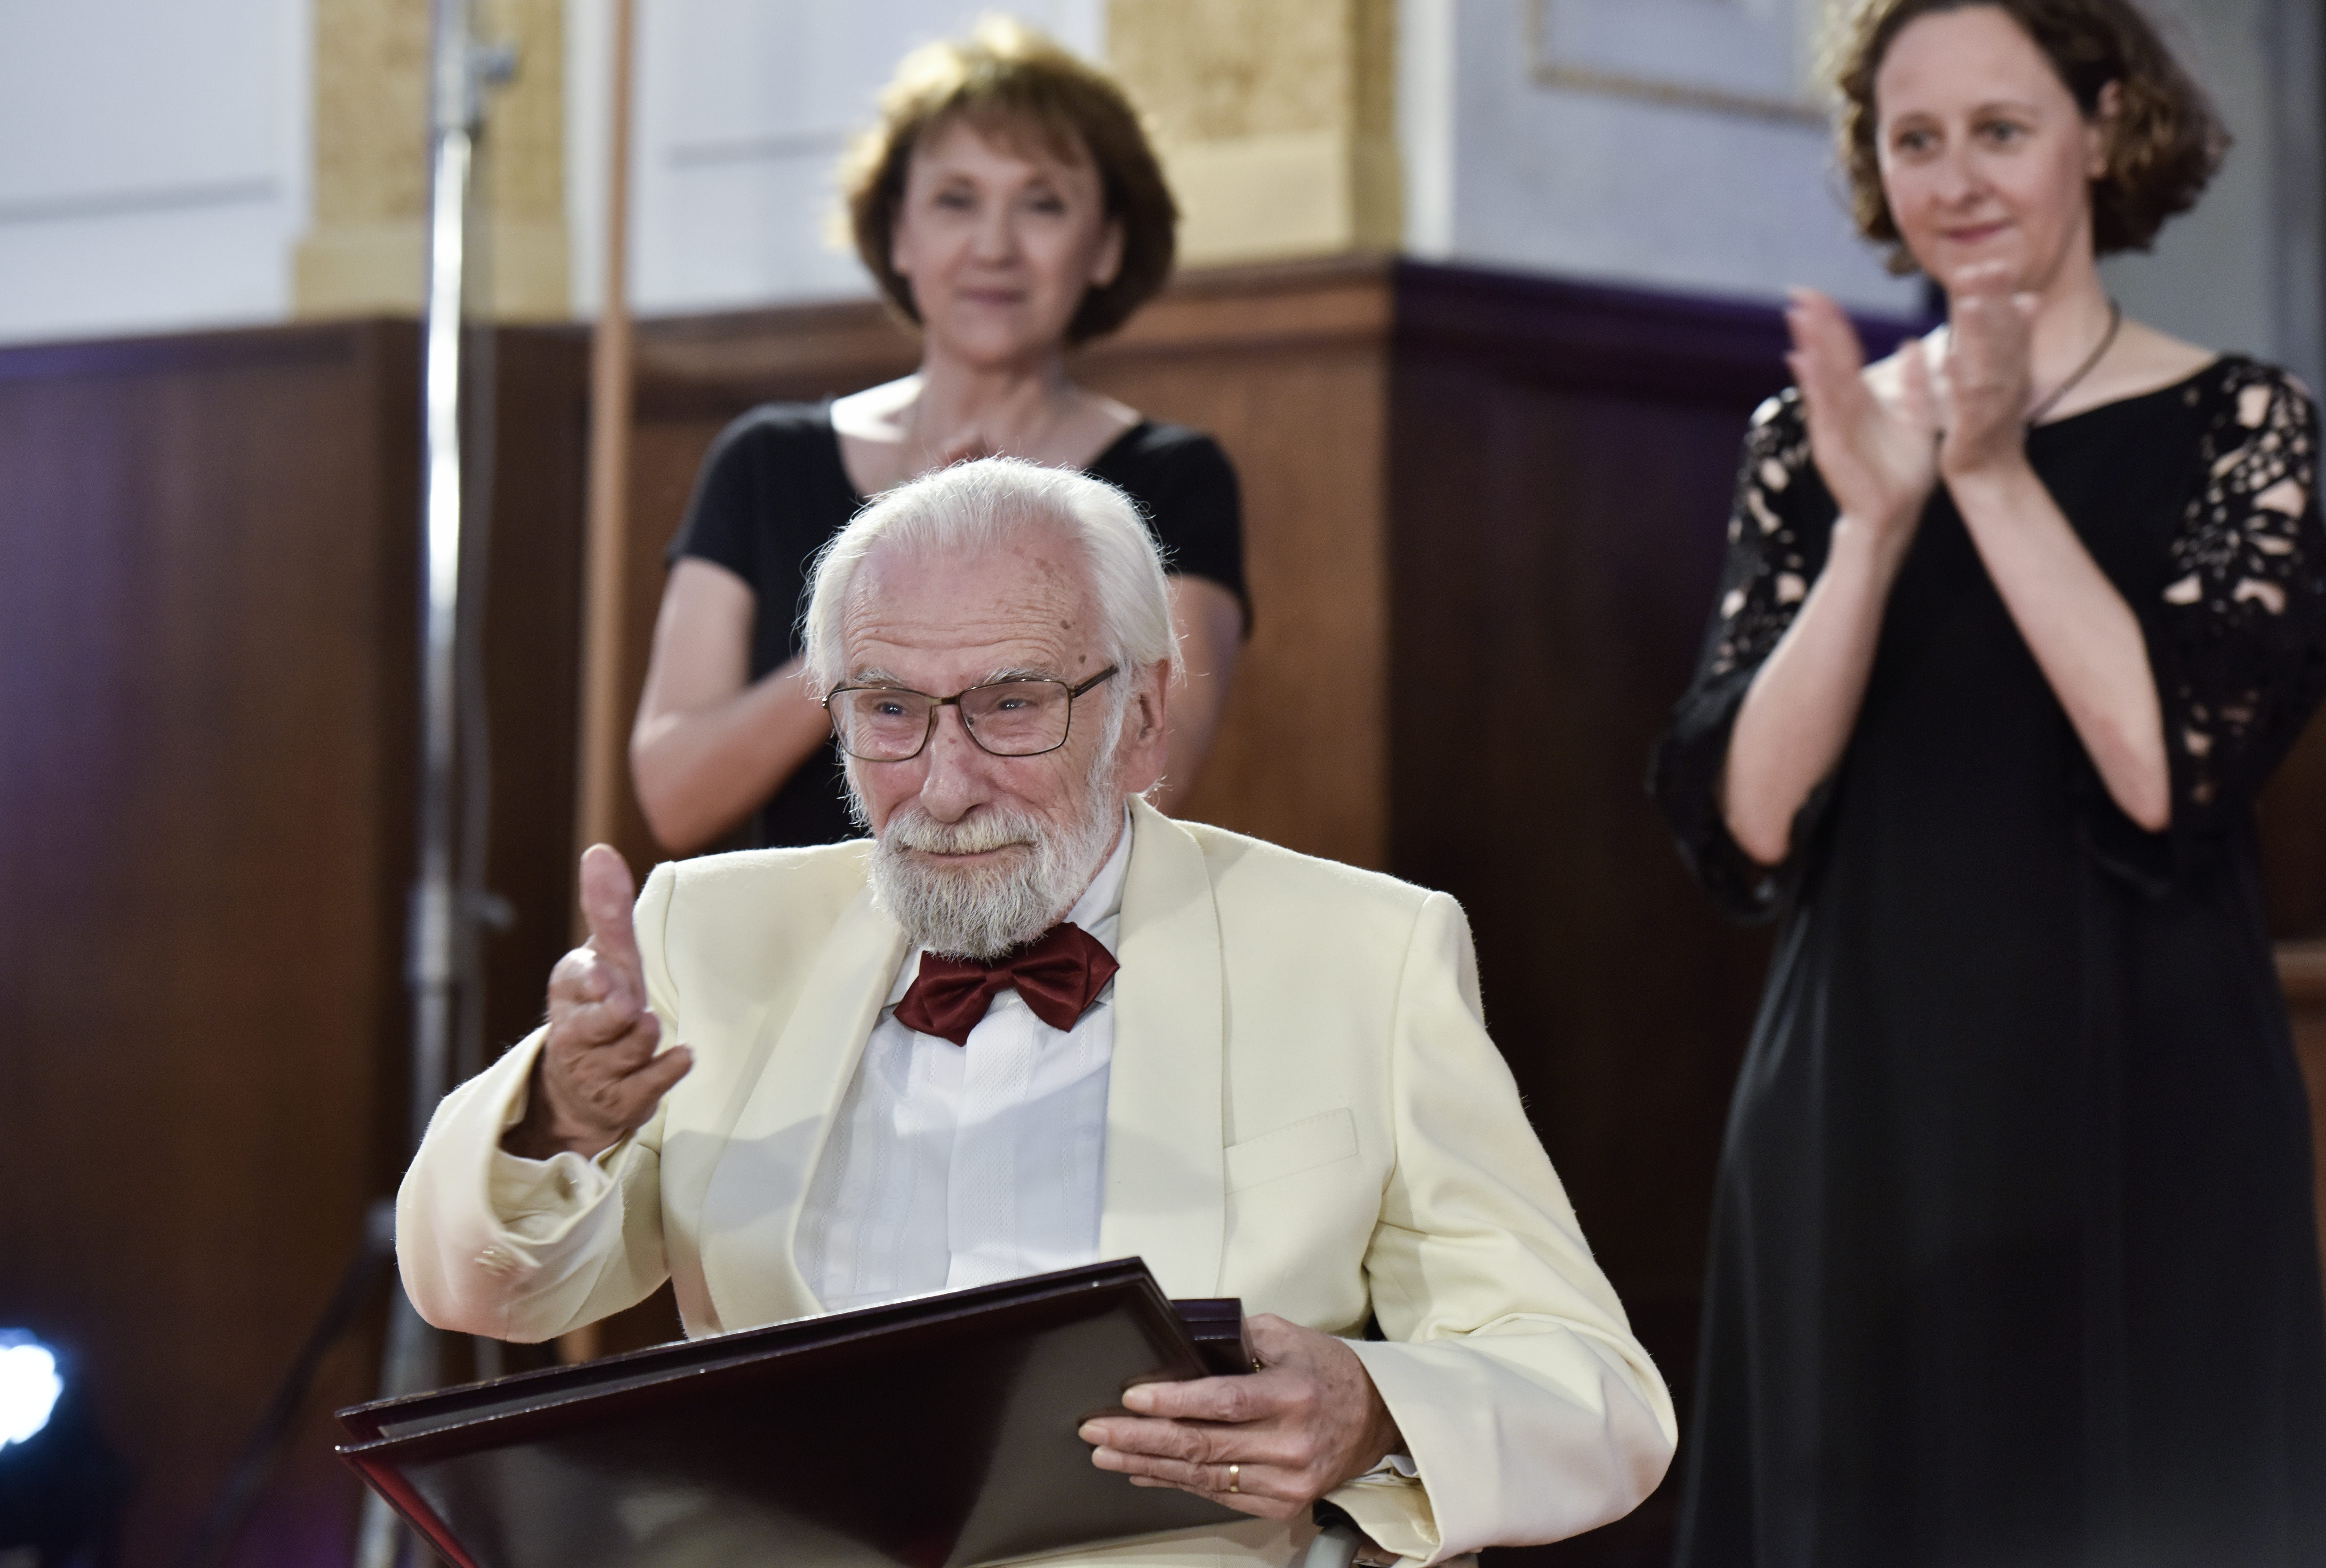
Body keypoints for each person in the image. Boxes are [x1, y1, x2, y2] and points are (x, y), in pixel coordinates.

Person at [400, 457, 1675, 1564]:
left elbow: (1597, 1399)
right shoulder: (710, 934)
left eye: (1011, 705)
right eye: (889, 711)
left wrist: (1374, 1408)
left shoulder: (1363, 953)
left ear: (1142, 715)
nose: (944, 786)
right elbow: (482, 1289)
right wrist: (558, 1120)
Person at [1649, 1, 2326, 1562]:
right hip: (1861, 1095)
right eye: (1915, 138)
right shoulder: (1809, 445)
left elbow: (2165, 774)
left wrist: (1992, 477)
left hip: (2145, 1090)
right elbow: (1744, 822)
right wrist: (1873, 530)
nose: (1955, 178)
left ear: (2100, 128)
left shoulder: (2243, 425)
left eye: (2000, 130)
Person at [630, 19, 1248, 857]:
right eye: (956, 200)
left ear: (1104, 244)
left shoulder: (1172, 479)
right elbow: (675, 797)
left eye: (1042, 204)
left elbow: (1158, 779)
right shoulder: (765, 459)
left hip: (1049, 956)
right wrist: (880, 601)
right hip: (794, 963)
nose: (994, 246)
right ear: (898, 233)